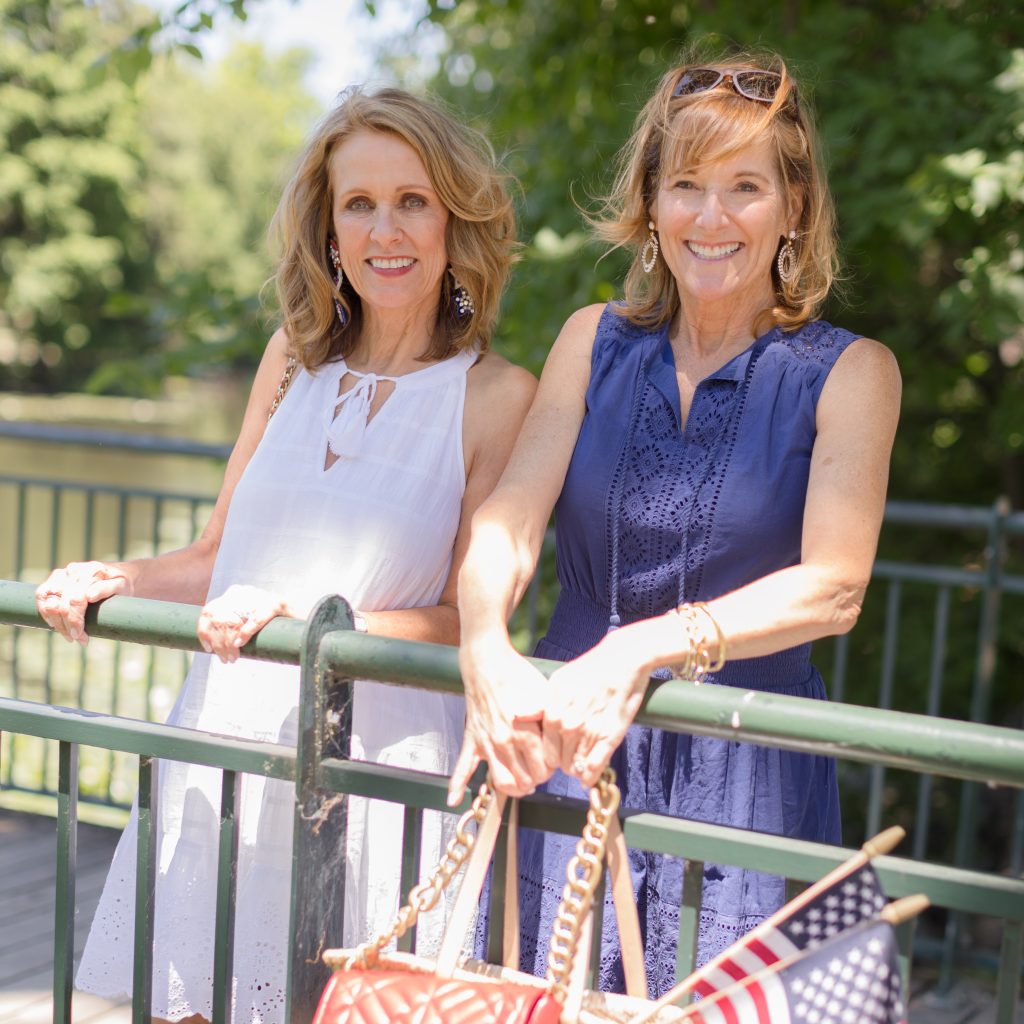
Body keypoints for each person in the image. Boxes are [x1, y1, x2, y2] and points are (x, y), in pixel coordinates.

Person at [35, 87, 534, 1024]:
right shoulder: (290, 362)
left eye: (413, 201)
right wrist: (122, 578)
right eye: (359, 204)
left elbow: (471, 619)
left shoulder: (500, 395)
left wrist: (313, 628)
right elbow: (218, 555)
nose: (386, 229)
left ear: (455, 220)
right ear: (329, 230)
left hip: (377, 769)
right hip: (224, 743)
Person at [450, 51, 902, 997]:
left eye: (744, 187)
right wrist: (486, 645)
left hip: (747, 781)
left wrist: (640, 650)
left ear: (794, 208)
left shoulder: (852, 373)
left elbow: (836, 585)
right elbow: (507, 520)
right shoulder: (591, 339)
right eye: (685, 184)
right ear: (651, 204)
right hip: (568, 752)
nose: (710, 216)